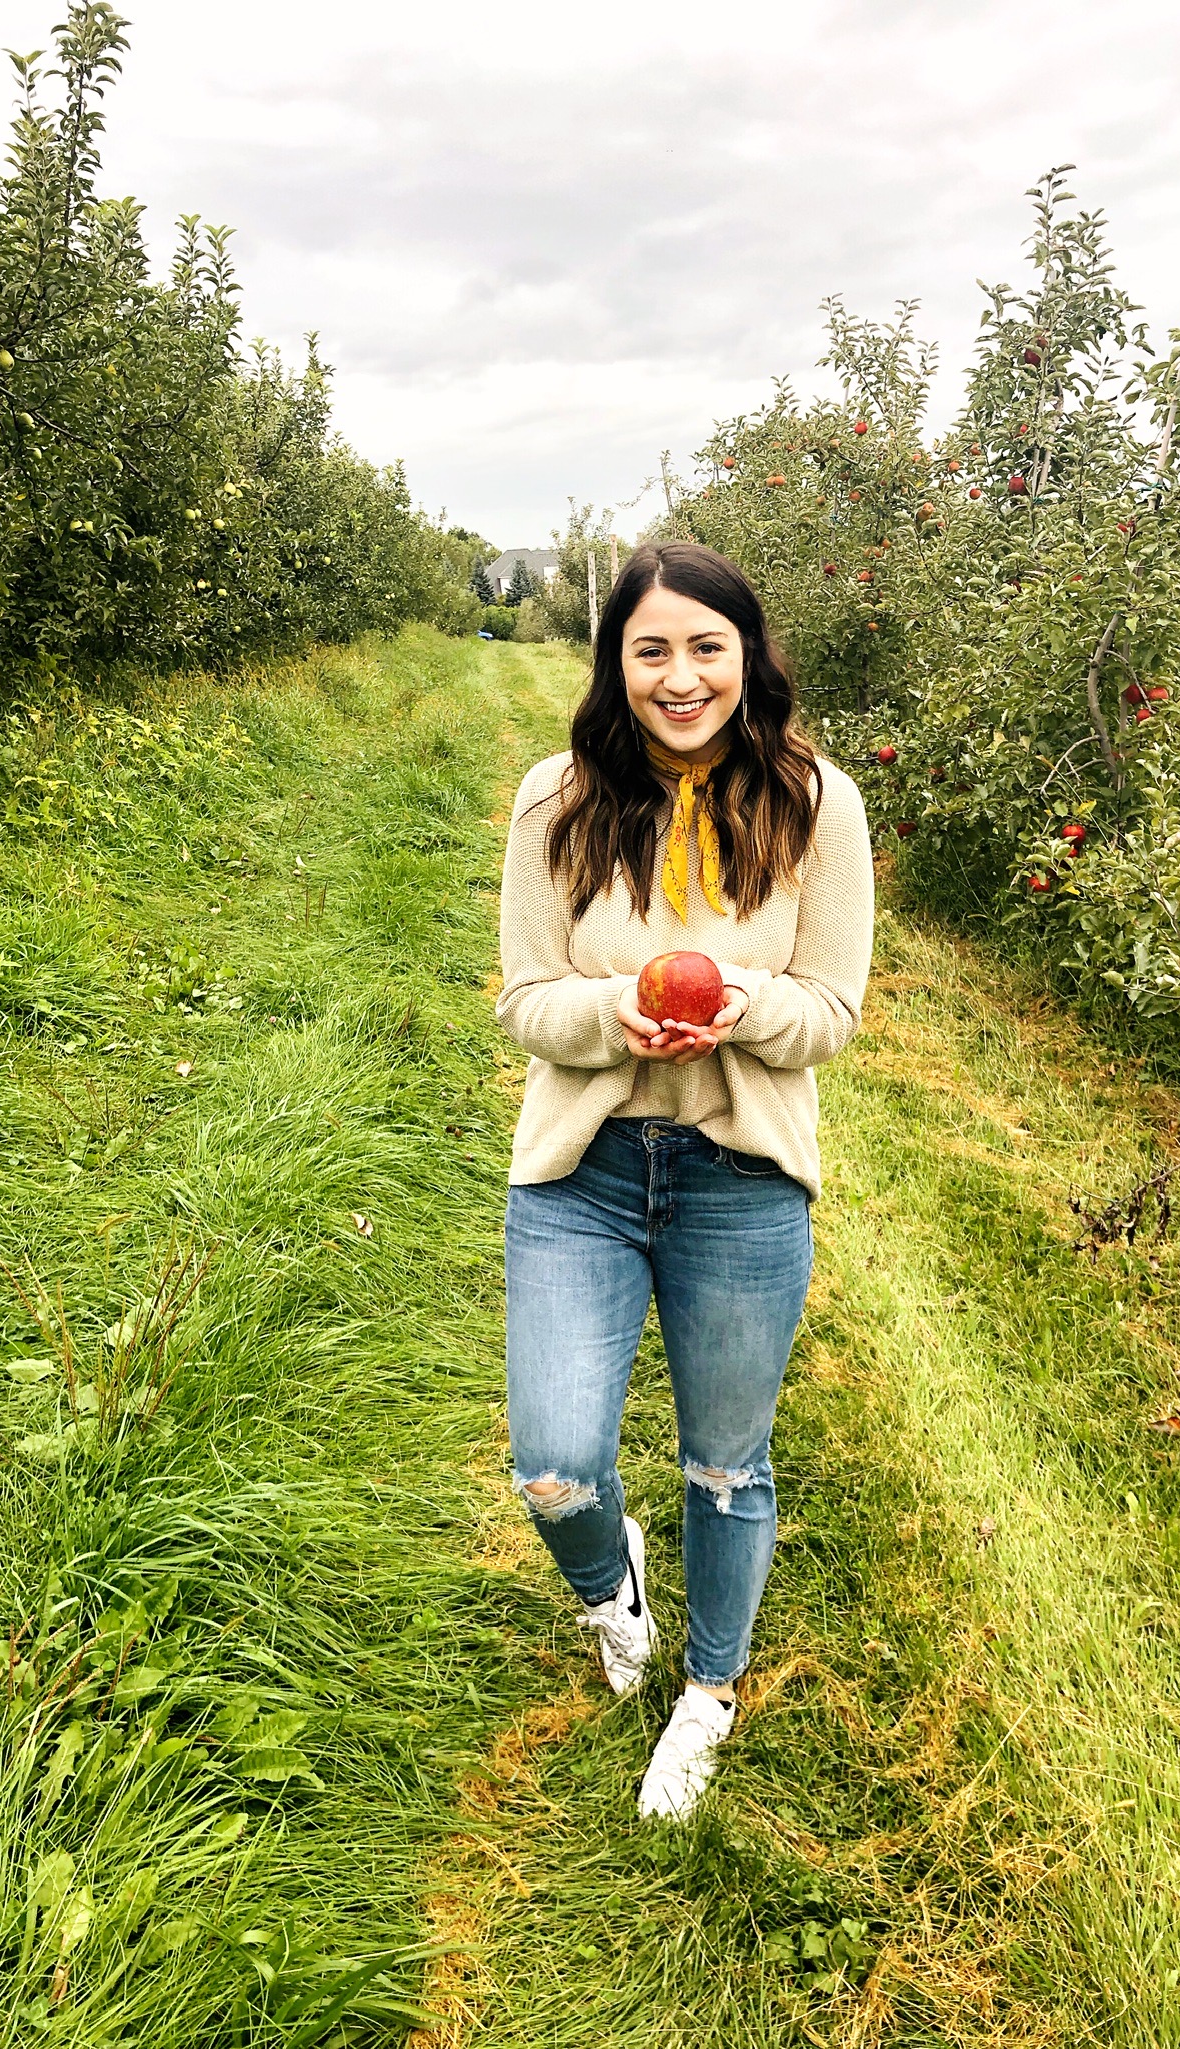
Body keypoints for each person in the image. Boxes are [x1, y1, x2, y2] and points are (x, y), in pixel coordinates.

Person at [496, 540, 873, 1819]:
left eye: (704, 646)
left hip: (740, 1180)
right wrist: (619, 1010)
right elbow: (525, 1001)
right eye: (649, 648)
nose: (678, 676)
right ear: (616, 661)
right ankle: (614, 1585)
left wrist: (740, 1004)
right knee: (551, 1460)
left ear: (745, 658)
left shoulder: (817, 803)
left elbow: (829, 1012)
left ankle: (708, 1693)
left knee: (726, 1463)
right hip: (583, 1175)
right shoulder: (557, 797)